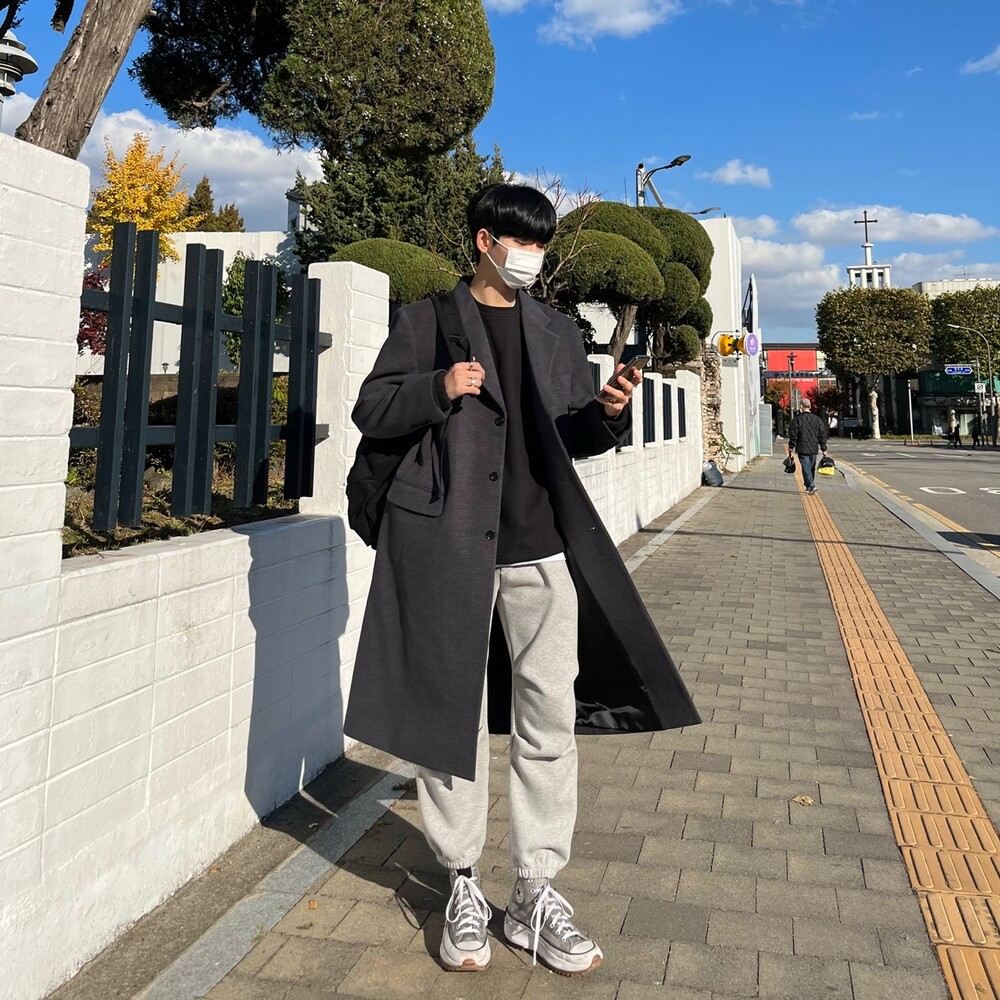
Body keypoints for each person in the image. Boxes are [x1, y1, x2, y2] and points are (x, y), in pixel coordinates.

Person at [344, 184, 699, 976]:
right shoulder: (427, 320)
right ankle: (462, 882)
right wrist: (438, 388)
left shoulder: (555, 329)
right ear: (486, 241)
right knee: (452, 716)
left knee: (549, 718)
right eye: (524, 241)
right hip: (447, 547)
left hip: (543, 551)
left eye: (541, 243)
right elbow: (372, 408)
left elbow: (575, 435)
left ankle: (536, 888)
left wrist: (609, 411)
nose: (533, 256)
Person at [788, 398, 829, 495]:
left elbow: (793, 434)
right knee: (811, 467)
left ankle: (811, 485)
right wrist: (824, 448)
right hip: (814, 447)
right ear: (809, 407)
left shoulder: (797, 419)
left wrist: (791, 446)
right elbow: (822, 434)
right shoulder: (817, 419)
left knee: (805, 466)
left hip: (802, 447)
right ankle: (809, 486)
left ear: (801, 406)